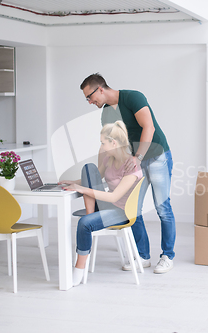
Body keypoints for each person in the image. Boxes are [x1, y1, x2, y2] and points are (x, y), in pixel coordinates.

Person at [80, 73, 175, 274]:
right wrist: (98, 172)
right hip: (134, 163)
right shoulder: (106, 113)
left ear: (100, 89)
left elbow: (147, 127)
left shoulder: (133, 97)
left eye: (90, 96)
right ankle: (142, 255)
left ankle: (167, 255)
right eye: (87, 99)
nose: (89, 101)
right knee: (132, 209)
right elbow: (107, 144)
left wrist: (138, 157)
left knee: (162, 207)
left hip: (156, 155)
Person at [61, 121, 143, 287]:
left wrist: (82, 189)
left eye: (103, 143)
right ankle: (92, 216)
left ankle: (79, 269)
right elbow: (93, 176)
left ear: (114, 143)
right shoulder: (109, 159)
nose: (101, 146)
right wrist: (74, 183)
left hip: (122, 211)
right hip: (106, 206)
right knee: (88, 168)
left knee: (84, 223)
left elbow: (114, 197)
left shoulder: (132, 165)